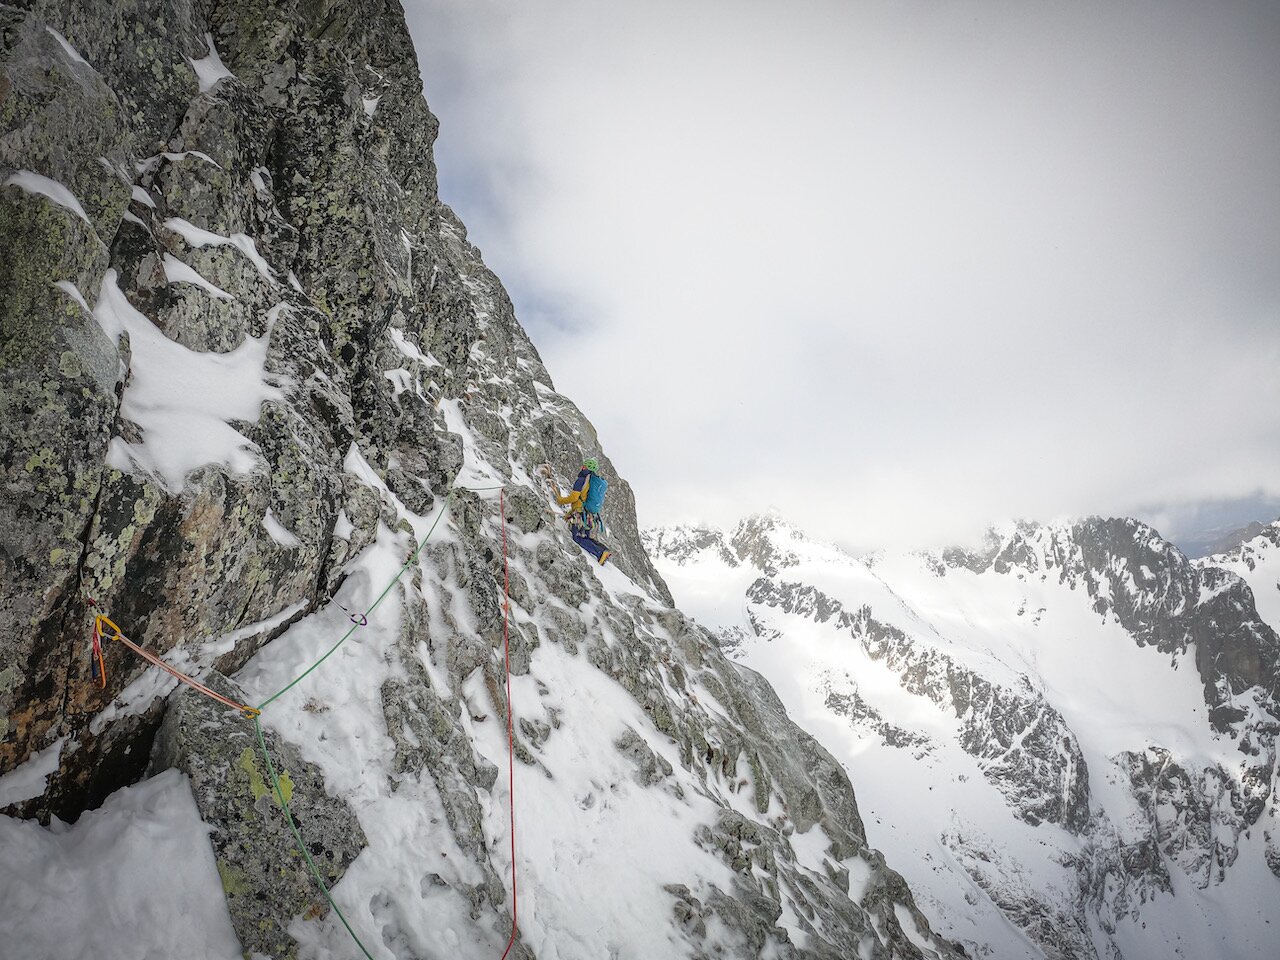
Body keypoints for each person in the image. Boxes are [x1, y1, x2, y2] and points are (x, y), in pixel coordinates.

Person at [554, 457, 612, 565]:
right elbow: (582, 500)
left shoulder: (581, 480)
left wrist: (561, 500)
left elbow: (575, 498)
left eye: (584, 465)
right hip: (589, 515)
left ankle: (600, 553)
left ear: (585, 467)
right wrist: (570, 513)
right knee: (585, 536)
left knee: (577, 538)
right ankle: (604, 550)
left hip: (580, 515)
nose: (582, 467)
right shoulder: (591, 481)